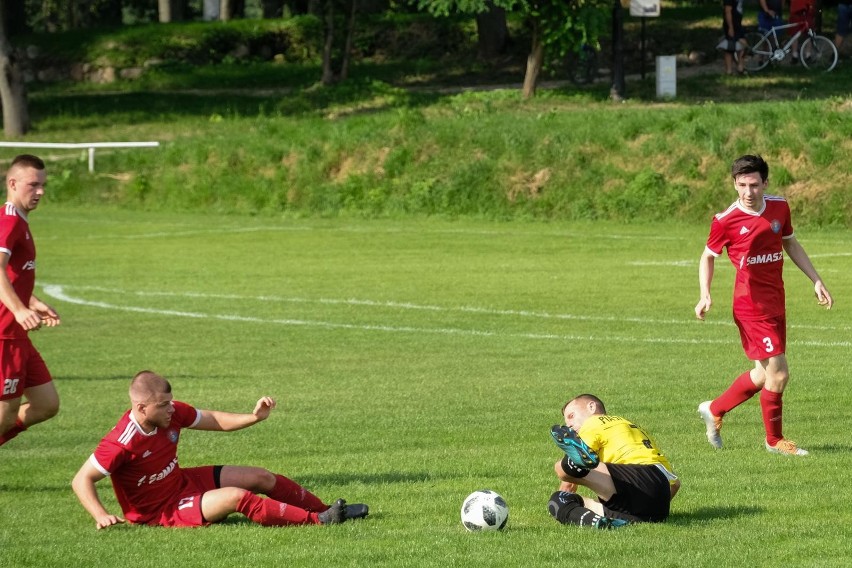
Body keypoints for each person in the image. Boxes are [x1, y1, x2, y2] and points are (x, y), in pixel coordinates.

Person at [72, 370, 369, 529]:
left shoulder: (171, 412)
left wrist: (253, 417)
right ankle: (318, 522)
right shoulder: (121, 442)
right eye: (163, 405)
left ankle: (323, 508)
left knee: (260, 477)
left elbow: (212, 419)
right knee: (238, 497)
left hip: (181, 483)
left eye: (170, 402)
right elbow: (81, 479)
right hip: (160, 512)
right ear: (140, 407)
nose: (170, 410)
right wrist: (100, 514)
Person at [694, 154, 833, 456]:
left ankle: (715, 409)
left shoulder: (779, 207)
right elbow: (707, 256)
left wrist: (816, 280)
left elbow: (791, 242)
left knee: (763, 375)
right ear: (735, 184)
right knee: (780, 374)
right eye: (741, 185)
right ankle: (774, 441)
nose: (747, 192)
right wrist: (705, 294)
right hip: (750, 307)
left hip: (775, 302)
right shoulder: (726, 220)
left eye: (754, 184)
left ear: (765, 183)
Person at [0, 154, 62, 447]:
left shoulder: (20, 221)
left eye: (43, 185)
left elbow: (12, 274)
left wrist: (31, 301)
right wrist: (19, 308)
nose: (40, 192)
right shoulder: (9, 221)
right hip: (4, 334)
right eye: (33, 185)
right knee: (4, 416)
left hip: (18, 334)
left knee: (46, 403)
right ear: (12, 183)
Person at [547, 394, 680, 528]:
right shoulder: (631, 426)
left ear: (591, 407)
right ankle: (601, 523)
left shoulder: (593, 422)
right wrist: (654, 502)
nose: (568, 425)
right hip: (658, 501)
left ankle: (570, 463)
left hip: (632, 481)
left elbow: (568, 486)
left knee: (560, 478)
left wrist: (564, 483)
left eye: (571, 416)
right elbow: (676, 484)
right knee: (559, 501)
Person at [718, 0, 748, 75]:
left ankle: (740, 67)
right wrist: (730, 27)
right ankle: (729, 70)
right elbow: (727, 11)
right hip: (731, 25)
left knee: (742, 46)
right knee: (729, 48)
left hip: (738, 25)